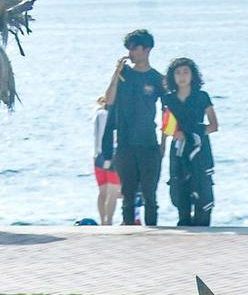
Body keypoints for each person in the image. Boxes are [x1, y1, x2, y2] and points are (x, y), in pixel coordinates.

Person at [102, 29, 166, 227]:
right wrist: (116, 74)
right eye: (128, 48)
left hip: (149, 143)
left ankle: (153, 232)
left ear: (146, 49)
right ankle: (128, 234)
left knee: (150, 196)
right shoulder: (124, 75)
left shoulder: (157, 79)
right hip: (125, 143)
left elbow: (167, 112)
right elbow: (109, 100)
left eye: (134, 48)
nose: (130, 53)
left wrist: (164, 143)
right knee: (128, 195)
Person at [162, 56, 218, 228]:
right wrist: (172, 135)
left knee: (202, 189)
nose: (182, 76)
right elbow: (166, 125)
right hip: (178, 148)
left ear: (193, 75)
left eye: (186, 72)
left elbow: (214, 125)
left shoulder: (202, 96)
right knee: (179, 189)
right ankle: (184, 225)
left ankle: (203, 226)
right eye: (177, 73)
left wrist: (197, 133)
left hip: (200, 149)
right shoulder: (168, 99)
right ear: (172, 77)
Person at [92, 96, 120, 225]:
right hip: (112, 154)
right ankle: (109, 221)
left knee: (102, 192)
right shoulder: (115, 114)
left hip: (98, 155)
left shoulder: (98, 114)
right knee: (113, 193)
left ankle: (102, 220)